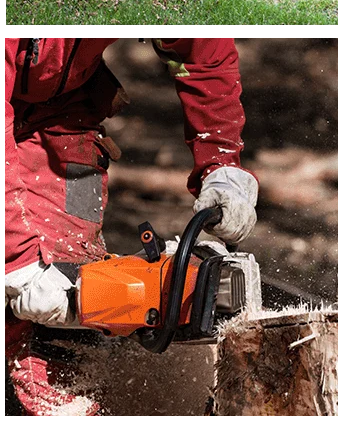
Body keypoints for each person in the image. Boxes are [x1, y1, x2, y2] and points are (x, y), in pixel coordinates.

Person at [3, 37, 258, 417]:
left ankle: (66, 397)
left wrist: (219, 160)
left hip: (63, 118)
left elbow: (201, 45)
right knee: (23, 280)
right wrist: (16, 258)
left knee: (71, 280)